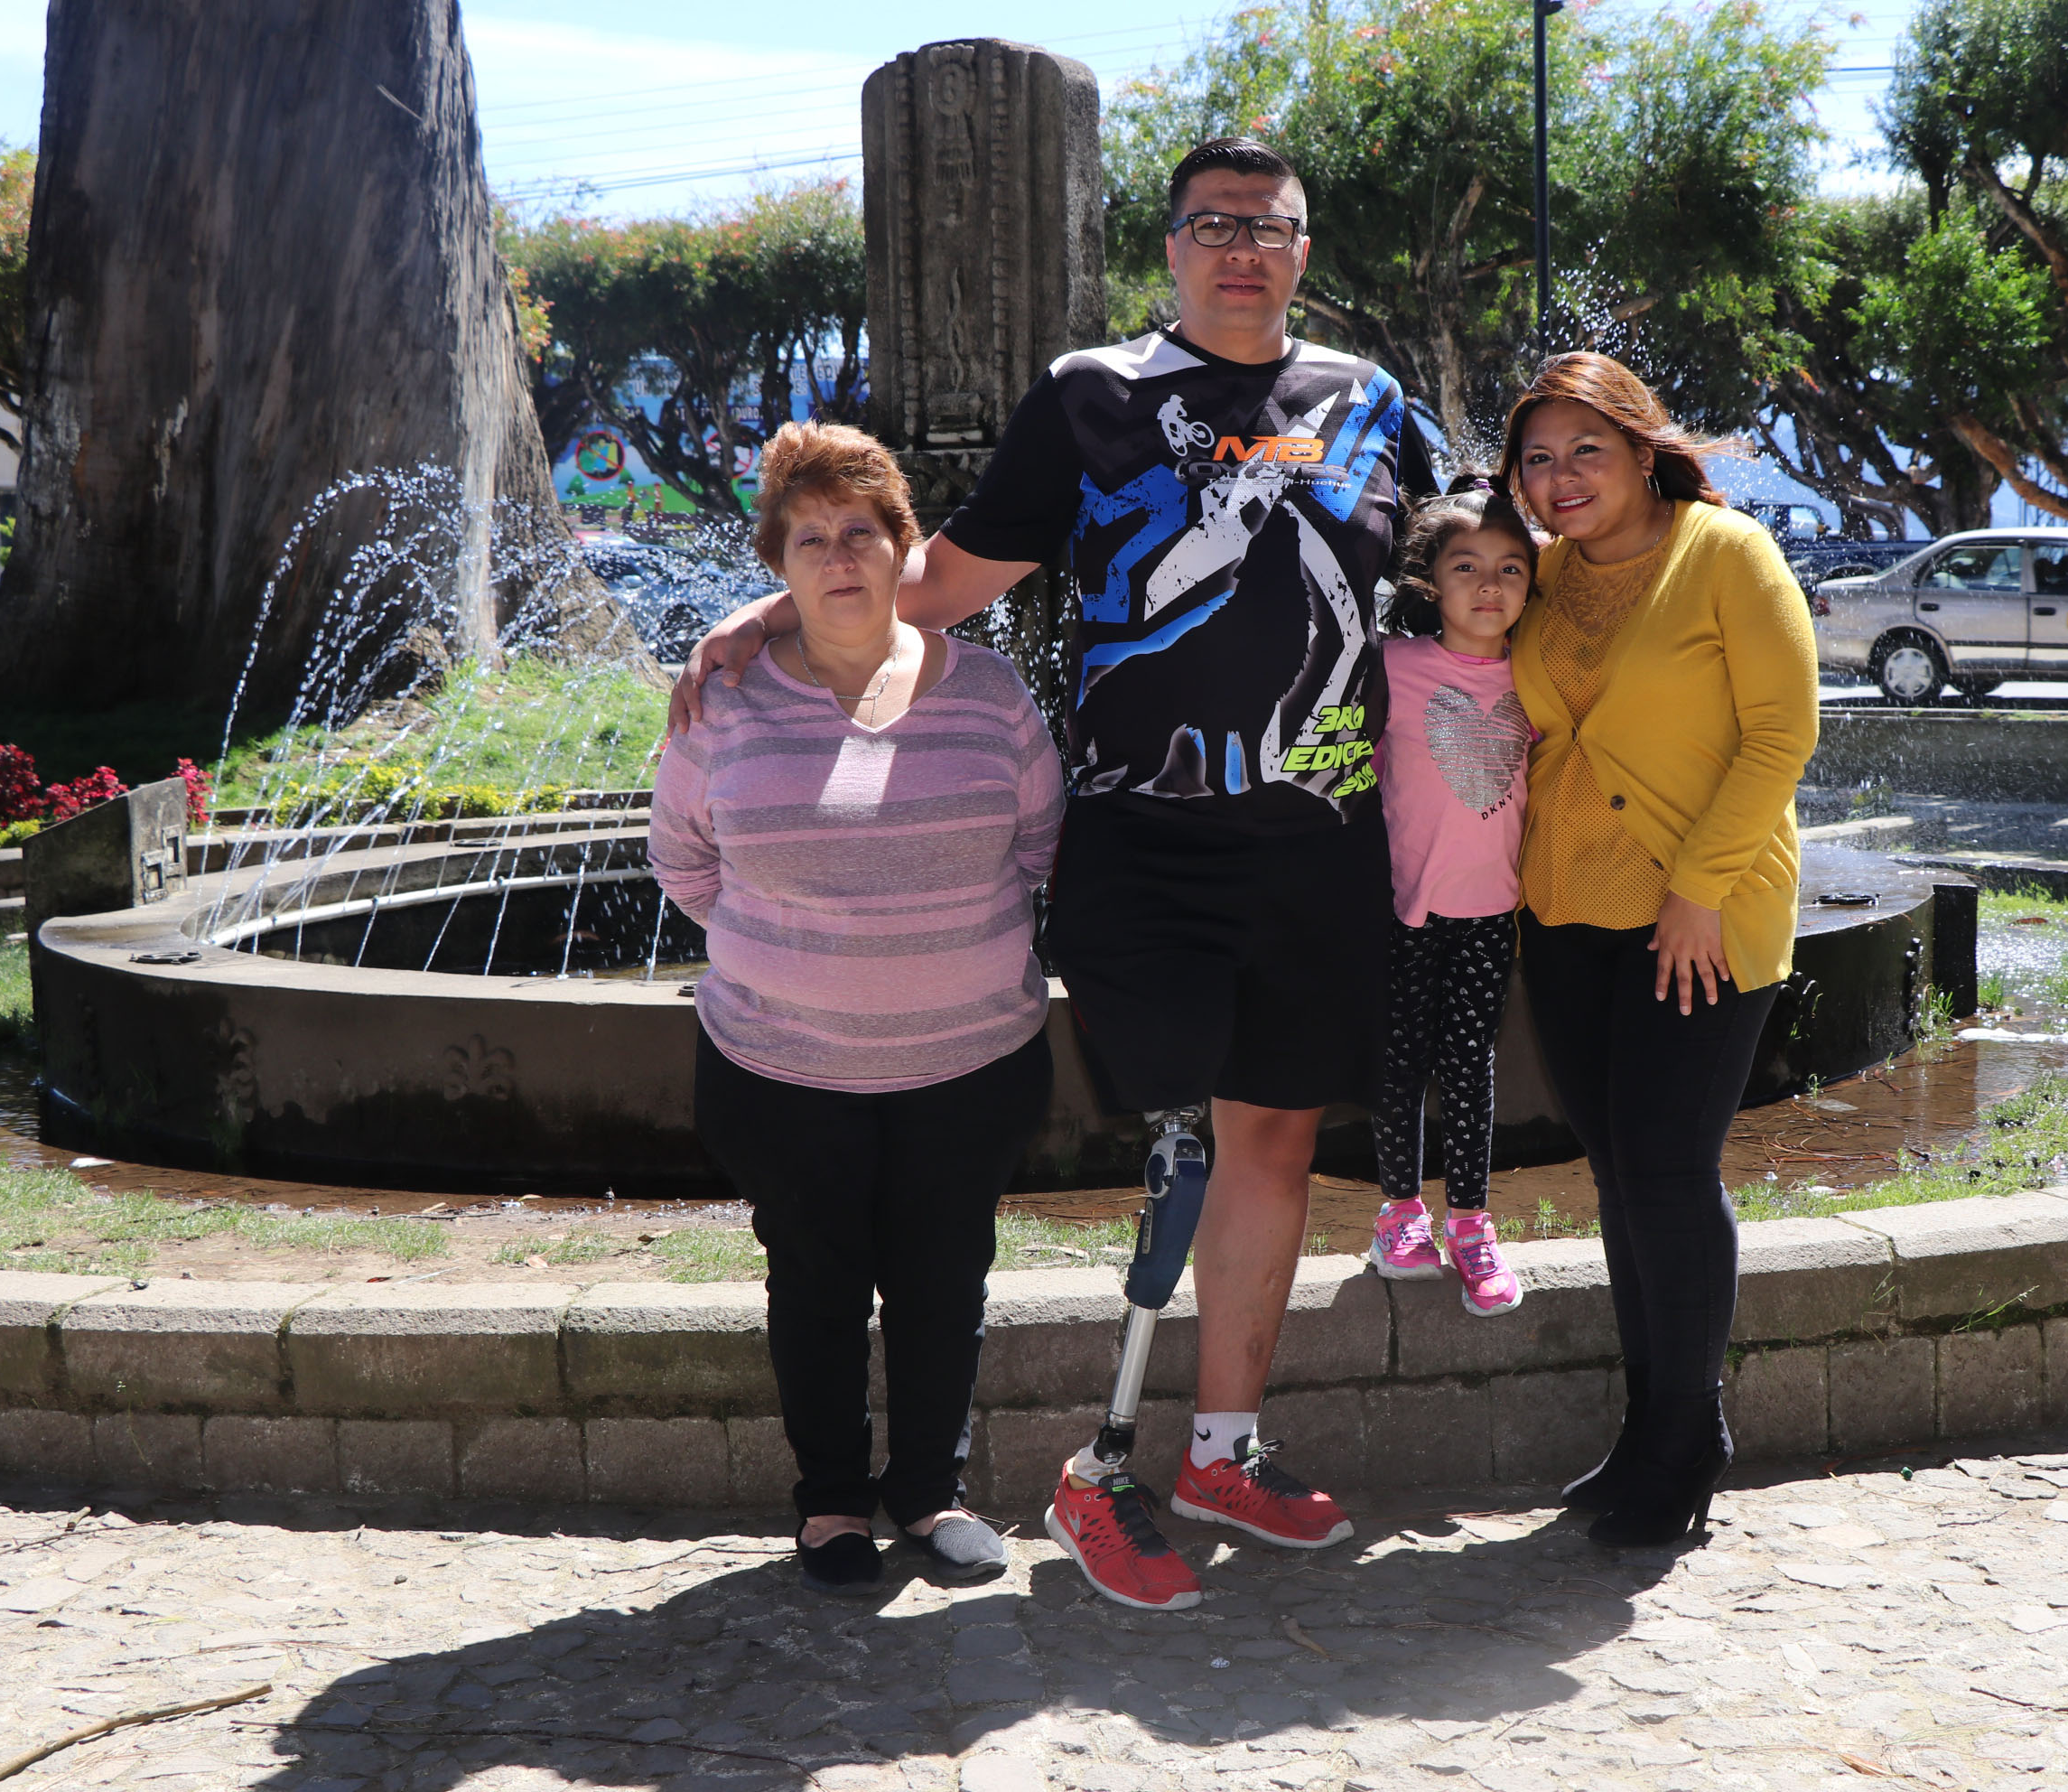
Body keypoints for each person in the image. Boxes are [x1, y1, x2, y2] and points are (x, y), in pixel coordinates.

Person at [672, 137, 1436, 1612]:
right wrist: (776, 608)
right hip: (1147, 846)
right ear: (1169, 247)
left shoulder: (1370, 404)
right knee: (1184, 1139)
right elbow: (950, 574)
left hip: (1320, 847)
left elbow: (1455, 567)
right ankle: (1100, 1460)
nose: (1241, 248)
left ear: (1302, 246)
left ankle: (1222, 1444)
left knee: (1275, 1140)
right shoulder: (1095, 396)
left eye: (1268, 227)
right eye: (1212, 224)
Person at [649, 421, 1062, 1595]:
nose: (840, 556)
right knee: (816, 1282)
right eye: (812, 536)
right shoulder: (723, 702)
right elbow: (684, 862)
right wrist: (806, 952)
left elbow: (1039, 843)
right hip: (783, 1069)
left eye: (864, 532)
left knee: (946, 1278)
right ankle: (831, 1499)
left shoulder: (987, 693)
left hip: (969, 1064)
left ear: (903, 549)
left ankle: (931, 1492)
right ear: (777, 564)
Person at [1496, 353, 1819, 1548]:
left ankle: (1692, 1435)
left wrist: (1698, 891)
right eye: (1537, 457)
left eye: (1586, 449)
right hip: (1566, 913)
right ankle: (1645, 1431)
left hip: (1699, 917)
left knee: (1672, 1171)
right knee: (1621, 1173)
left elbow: (1785, 733)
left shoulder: (1725, 554)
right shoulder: (1539, 575)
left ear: (1643, 451)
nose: (1560, 476)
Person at [1363, 479, 1538, 1318]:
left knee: (1470, 1067)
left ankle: (1471, 1226)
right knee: (1400, 1062)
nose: (1490, 586)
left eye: (1511, 568)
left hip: (1491, 911)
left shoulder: (1538, 676)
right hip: (1402, 908)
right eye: (1468, 567)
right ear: (1432, 582)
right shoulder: (1390, 668)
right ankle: (1399, 1214)